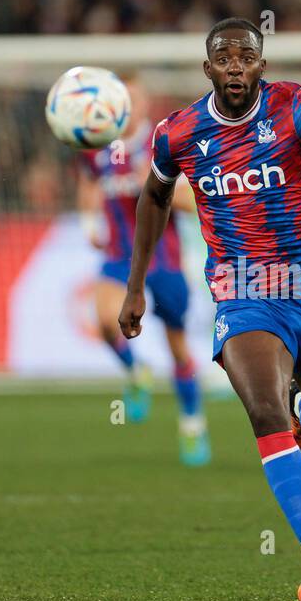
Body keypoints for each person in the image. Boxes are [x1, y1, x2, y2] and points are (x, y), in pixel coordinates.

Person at [119, 18, 301, 601]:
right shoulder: (178, 131)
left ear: (261, 65)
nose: (235, 64)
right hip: (243, 291)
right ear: (207, 68)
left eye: (247, 55)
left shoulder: (296, 108)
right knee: (263, 409)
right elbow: (154, 196)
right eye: (224, 57)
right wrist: (136, 286)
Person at [76, 78, 210, 466]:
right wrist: (89, 222)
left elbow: (193, 200)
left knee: (178, 347)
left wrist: (154, 187)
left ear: (146, 102)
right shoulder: (97, 146)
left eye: (135, 98)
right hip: (120, 256)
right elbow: (88, 184)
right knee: (103, 320)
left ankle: (192, 424)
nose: (128, 105)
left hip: (163, 259)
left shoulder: (164, 143)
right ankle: (135, 372)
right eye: (122, 98)